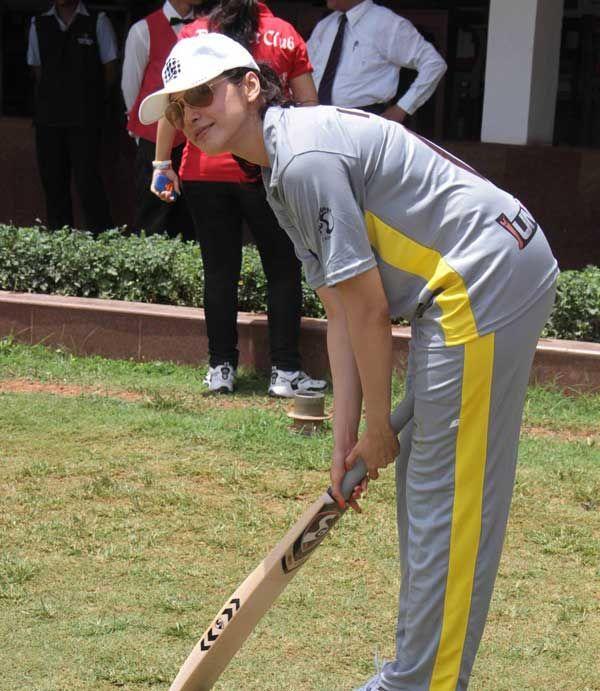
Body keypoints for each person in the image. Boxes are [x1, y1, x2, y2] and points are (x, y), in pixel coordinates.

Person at [139, 34, 559, 689]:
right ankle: (415, 672)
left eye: (202, 93)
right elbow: (338, 309)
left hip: (483, 276)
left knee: (444, 498)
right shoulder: (282, 170)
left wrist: (377, 430)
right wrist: (348, 440)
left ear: (251, 85)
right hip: (465, 283)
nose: (189, 114)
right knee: (427, 491)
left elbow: (367, 313)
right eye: (177, 108)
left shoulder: (302, 159)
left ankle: (419, 682)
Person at [150, 1, 326, 397]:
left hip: (203, 169)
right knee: (282, 267)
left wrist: (162, 162)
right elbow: (310, 106)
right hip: (265, 164)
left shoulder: (194, 33)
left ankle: (221, 368)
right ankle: (284, 371)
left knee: (218, 270)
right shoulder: (285, 32)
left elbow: (172, 105)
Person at [27, 0, 117, 233]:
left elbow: (110, 70)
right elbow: (37, 70)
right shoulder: (38, 23)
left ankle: (102, 242)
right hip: (49, 120)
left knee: (88, 183)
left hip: (86, 120)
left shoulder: (98, 20)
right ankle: (61, 244)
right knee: (53, 185)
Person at [121, 0, 202, 238]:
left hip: (195, 140)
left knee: (190, 216)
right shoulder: (143, 30)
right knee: (153, 214)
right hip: (154, 142)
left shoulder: (209, 28)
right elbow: (131, 88)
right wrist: (141, 136)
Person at [307, 0, 446, 122]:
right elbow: (303, 68)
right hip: (318, 118)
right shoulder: (325, 25)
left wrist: (402, 108)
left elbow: (434, 64)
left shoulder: (387, 23)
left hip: (364, 122)